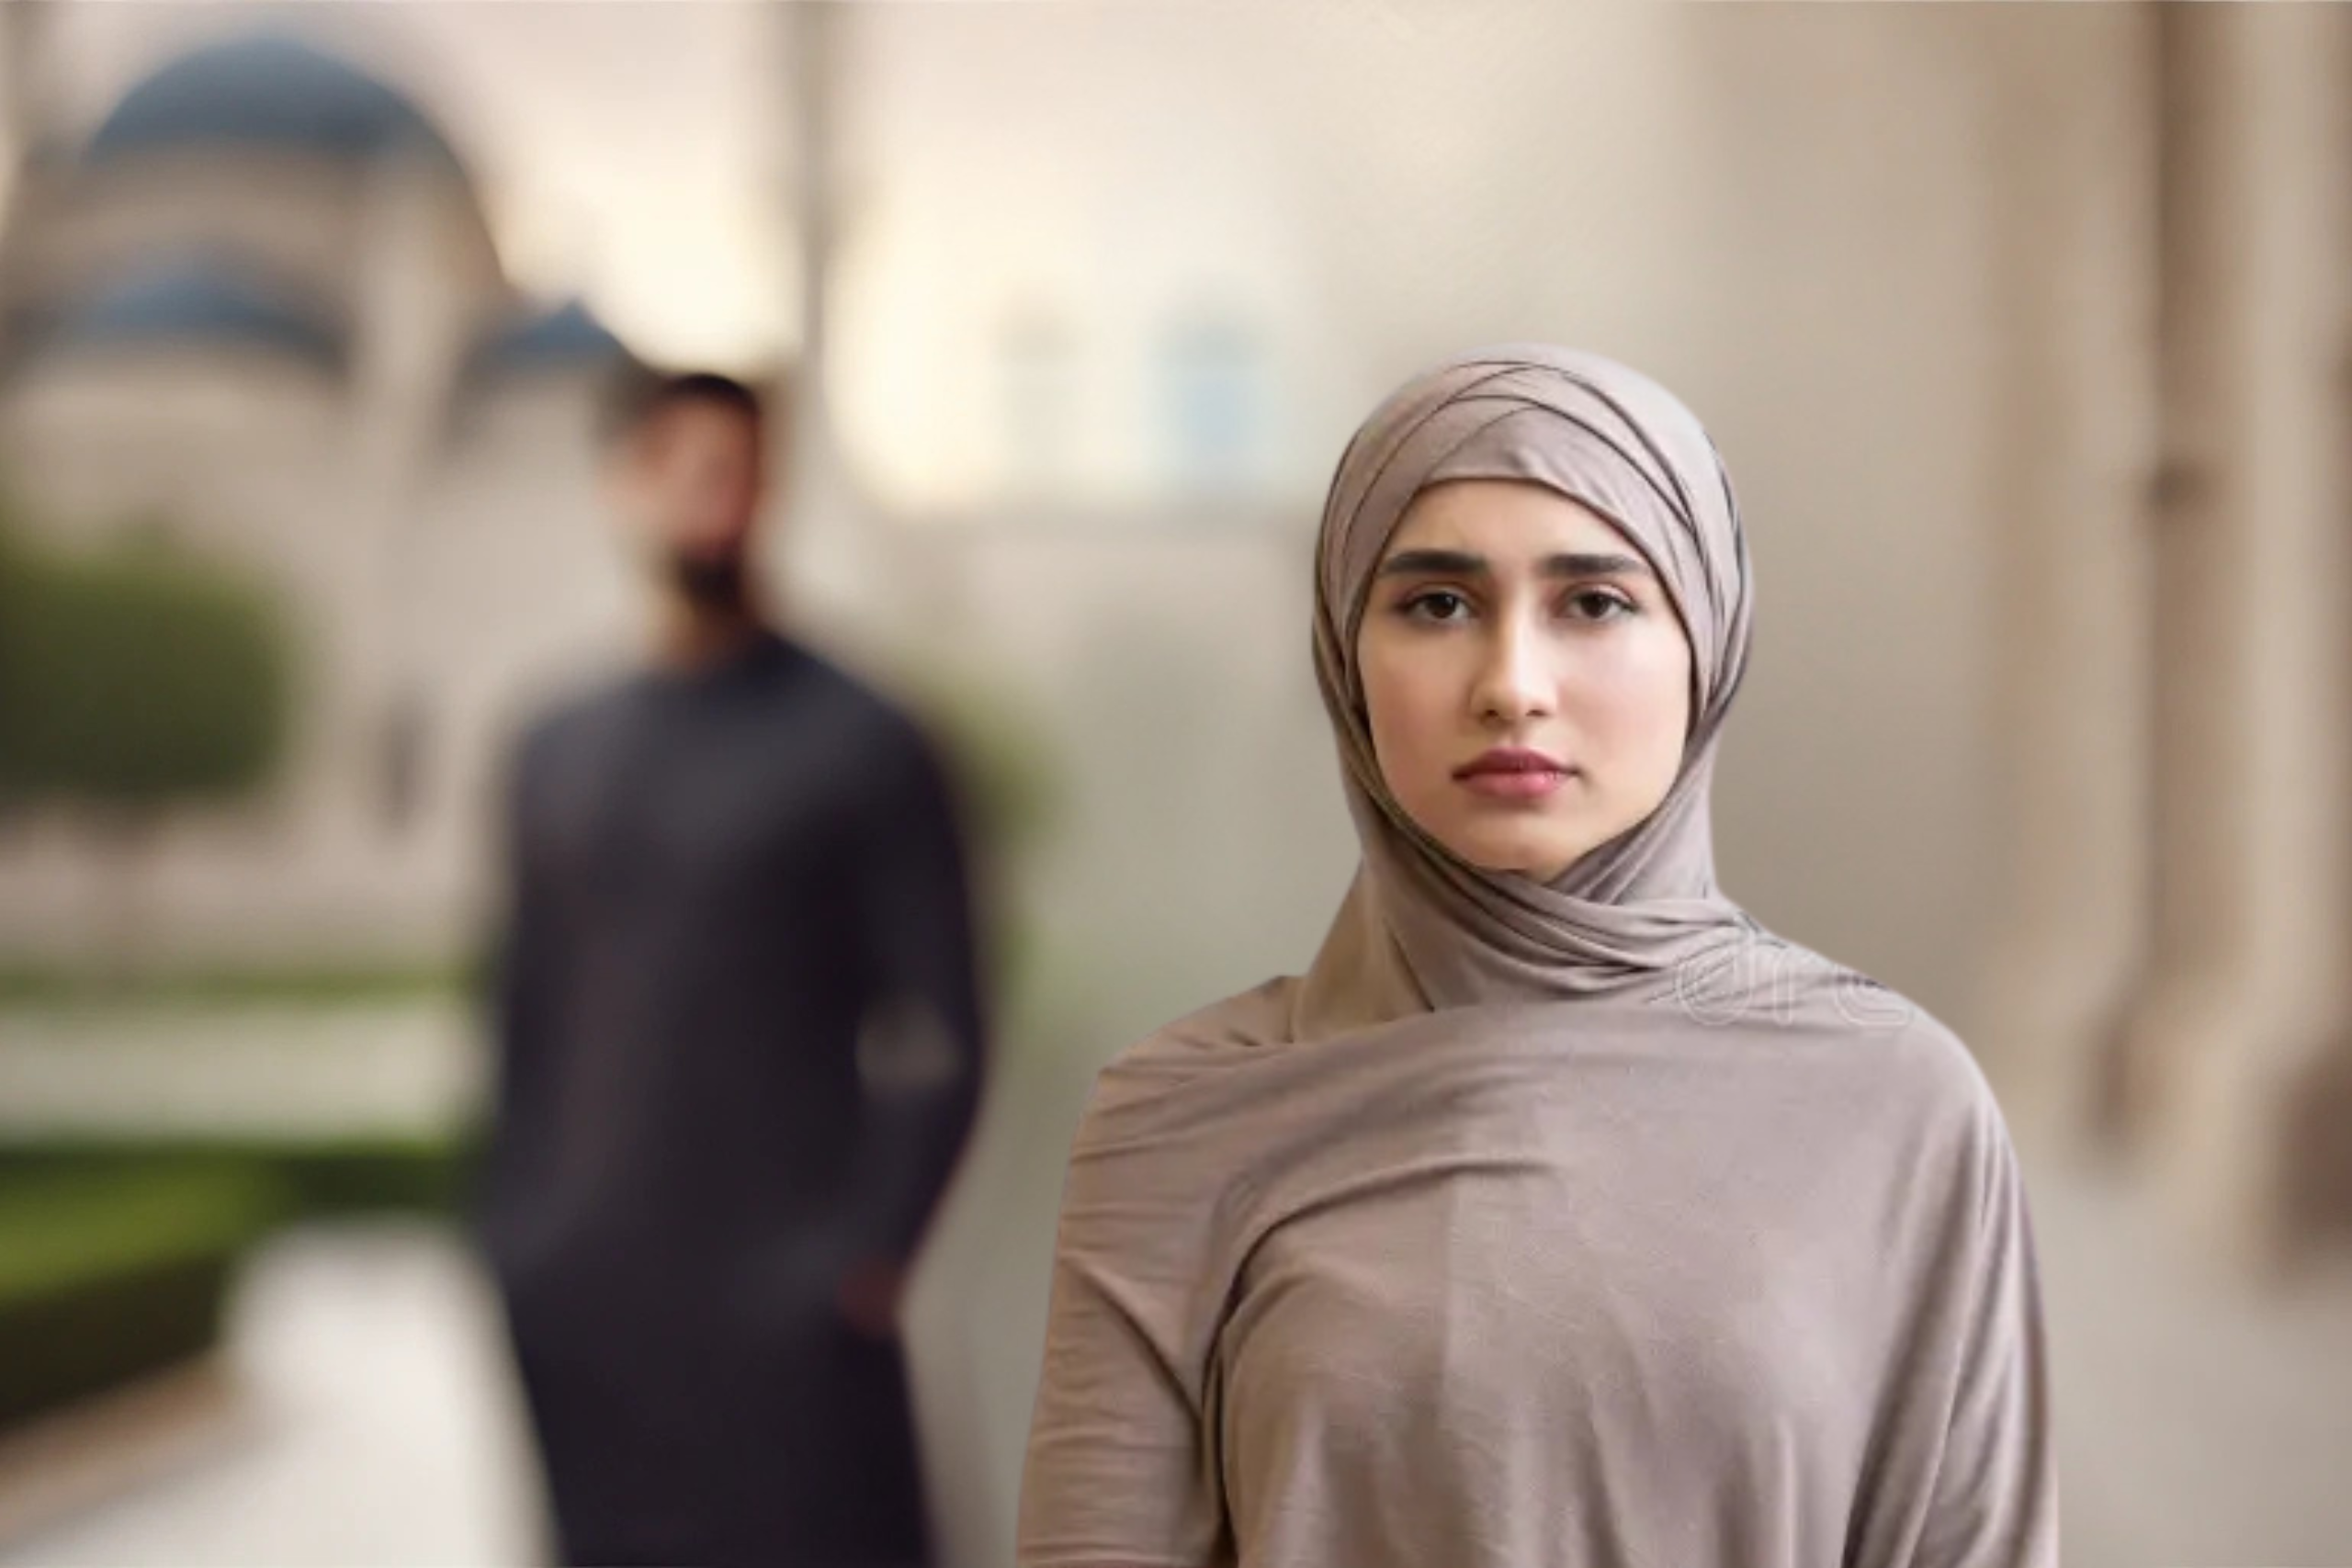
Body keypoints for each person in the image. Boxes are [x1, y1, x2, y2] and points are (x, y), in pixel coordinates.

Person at [1016, 345, 2055, 1567]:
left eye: (1595, 602)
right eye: (1436, 604)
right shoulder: (1186, 1115)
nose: (1512, 685)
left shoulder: (1897, 1104)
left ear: (1705, 643)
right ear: (1347, 659)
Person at [477, 369, 988, 1567]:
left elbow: (945, 1024)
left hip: (792, 1303)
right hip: (594, 1300)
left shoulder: (865, 738)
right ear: (624, 486)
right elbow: (521, 1011)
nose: (724, 504)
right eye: (692, 471)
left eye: (746, 472)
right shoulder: (553, 747)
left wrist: (871, 1247)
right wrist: (516, 1242)